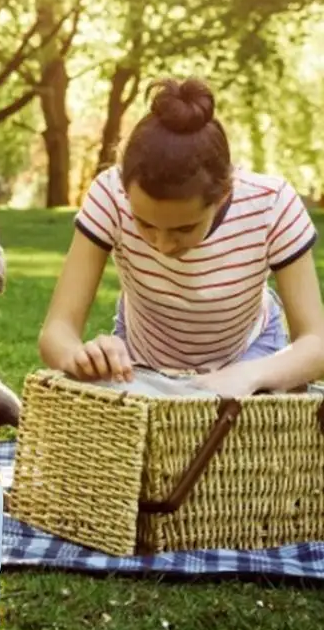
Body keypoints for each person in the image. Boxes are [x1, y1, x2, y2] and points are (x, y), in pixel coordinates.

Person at [39, 76, 324, 397]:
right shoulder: (109, 194)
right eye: (144, 224)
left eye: (183, 228)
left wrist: (248, 375)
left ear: (223, 194)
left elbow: (316, 343)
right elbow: (57, 333)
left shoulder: (271, 203)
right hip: (140, 361)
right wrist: (83, 358)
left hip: (251, 356)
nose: (161, 246)